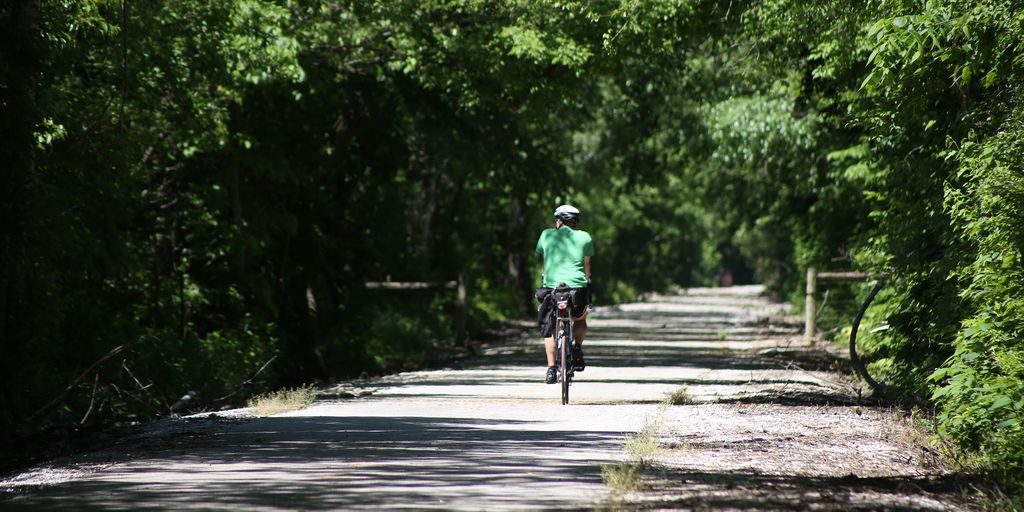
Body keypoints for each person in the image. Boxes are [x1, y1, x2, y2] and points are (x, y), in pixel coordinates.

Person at [535, 204, 593, 384]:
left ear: (559, 220)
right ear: (574, 221)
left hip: (552, 289)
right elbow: (587, 265)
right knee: (581, 318)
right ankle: (577, 347)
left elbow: (544, 261)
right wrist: (587, 280)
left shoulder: (546, 234)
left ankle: (551, 369)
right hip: (577, 289)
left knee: (550, 328)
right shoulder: (585, 237)